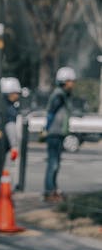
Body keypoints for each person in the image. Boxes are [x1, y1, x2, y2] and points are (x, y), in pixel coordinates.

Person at [43, 66, 76, 203]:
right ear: (64, 81)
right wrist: (46, 128)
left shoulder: (63, 95)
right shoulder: (58, 95)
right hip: (54, 133)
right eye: (71, 81)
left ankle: (53, 189)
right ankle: (49, 191)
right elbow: (50, 113)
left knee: (56, 163)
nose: (73, 84)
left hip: (59, 133)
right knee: (53, 163)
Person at [0, 76, 22, 171]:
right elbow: (10, 126)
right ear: (9, 93)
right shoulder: (10, 109)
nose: (18, 96)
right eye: (16, 93)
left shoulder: (0, 105)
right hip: (3, 143)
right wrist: (14, 146)